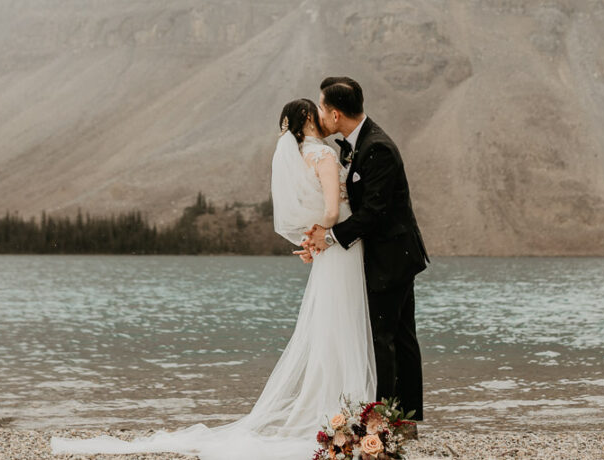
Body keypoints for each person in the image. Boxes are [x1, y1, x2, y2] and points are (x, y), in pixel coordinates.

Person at [51, 97, 375, 460]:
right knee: (342, 324)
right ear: (309, 120)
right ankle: (348, 411)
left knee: (331, 326)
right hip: (340, 249)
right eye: (316, 109)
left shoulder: (300, 157)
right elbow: (331, 210)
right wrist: (324, 234)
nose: (321, 111)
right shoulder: (325, 156)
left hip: (328, 253)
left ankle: (340, 412)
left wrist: (313, 238)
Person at [304, 76, 429, 427]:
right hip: (392, 256)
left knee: (385, 338)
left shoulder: (378, 148)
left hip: (392, 258)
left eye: (322, 109)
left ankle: (385, 421)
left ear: (334, 114)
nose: (320, 116)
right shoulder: (357, 143)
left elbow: (375, 213)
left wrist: (327, 238)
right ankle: (404, 419)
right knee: (400, 337)